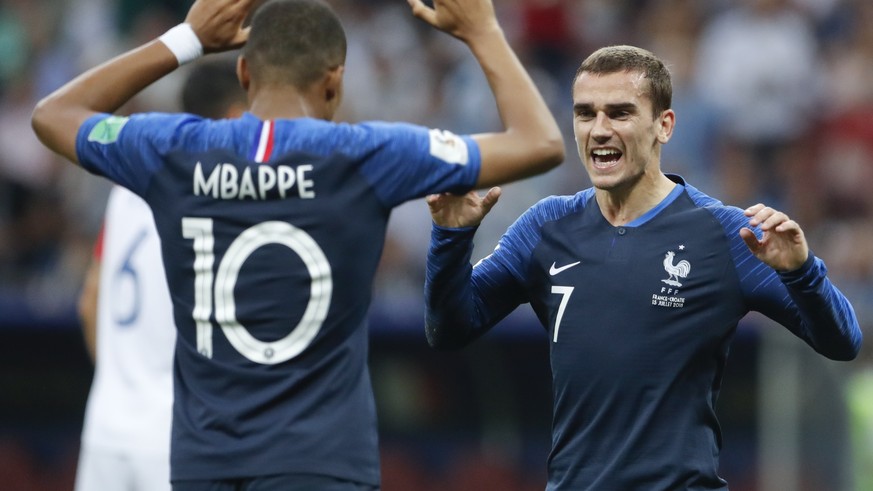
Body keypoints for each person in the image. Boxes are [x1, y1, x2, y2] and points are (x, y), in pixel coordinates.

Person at [31, 0, 564, 488]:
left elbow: (53, 115)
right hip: (320, 462)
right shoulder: (365, 154)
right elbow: (538, 142)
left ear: (243, 72)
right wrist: (484, 31)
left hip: (202, 463)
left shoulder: (174, 148)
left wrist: (187, 40)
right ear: (334, 82)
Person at [422, 44, 863, 490]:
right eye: (585, 113)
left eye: (619, 113)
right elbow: (450, 328)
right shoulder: (545, 226)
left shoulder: (725, 234)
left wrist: (802, 272)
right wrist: (451, 238)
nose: (599, 130)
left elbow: (843, 342)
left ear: (664, 126)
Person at [74, 57, 247, 491]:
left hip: (105, 430)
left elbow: (89, 303)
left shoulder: (128, 187)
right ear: (237, 116)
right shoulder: (229, 197)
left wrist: (122, 385)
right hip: (181, 436)